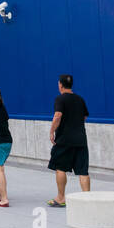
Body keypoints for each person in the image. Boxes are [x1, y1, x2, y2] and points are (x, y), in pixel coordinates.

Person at [47, 73, 90, 207]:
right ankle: (87, 200)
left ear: (60, 84)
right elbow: (84, 117)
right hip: (81, 139)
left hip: (65, 139)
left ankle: (61, 198)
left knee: (60, 168)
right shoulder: (80, 99)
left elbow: (58, 115)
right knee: (83, 171)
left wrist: (52, 131)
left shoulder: (60, 99)